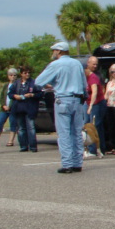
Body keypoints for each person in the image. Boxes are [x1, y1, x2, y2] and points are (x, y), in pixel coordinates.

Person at [34, 42, 87, 173]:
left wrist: (52, 84)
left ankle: (67, 164)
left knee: (64, 134)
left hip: (63, 100)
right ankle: (77, 163)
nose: (53, 53)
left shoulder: (56, 64)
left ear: (59, 51)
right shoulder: (77, 64)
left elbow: (38, 82)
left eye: (54, 51)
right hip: (78, 100)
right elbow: (84, 83)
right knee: (77, 133)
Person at [8, 66, 43, 152]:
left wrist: (32, 95)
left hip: (30, 108)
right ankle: (23, 146)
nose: (27, 74)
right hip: (19, 109)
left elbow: (40, 94)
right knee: (21, 128)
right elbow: (10, 93)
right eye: (25, 73)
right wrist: (15, 96)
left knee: (31, 127)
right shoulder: (16, 83)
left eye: (28, 73)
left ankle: (33, 146)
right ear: (21, 74)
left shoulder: (33, 82)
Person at [85, 56, 106, 156]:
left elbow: (95, 92)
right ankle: (101, 149)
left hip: (97, 103)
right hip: (89, 103)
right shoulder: (86, 77)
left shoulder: (93, 77)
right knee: (97, 126)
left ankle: (93, 150)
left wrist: (90, 106)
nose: (95, 65)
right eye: (93, 63)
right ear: (88, 64)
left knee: (93, 126)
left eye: (96, 64)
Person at [0, 68, 18, 148]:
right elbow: (1, 97)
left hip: (13, 109)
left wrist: (10, 106)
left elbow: (15, 97)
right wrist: (3, 105)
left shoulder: (17, 85)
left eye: (14, 75)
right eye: (11, 75)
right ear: (8, 76)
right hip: (3, 109)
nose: (13, 77)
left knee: (13, 124)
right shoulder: (6, 86)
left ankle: (10, 141)